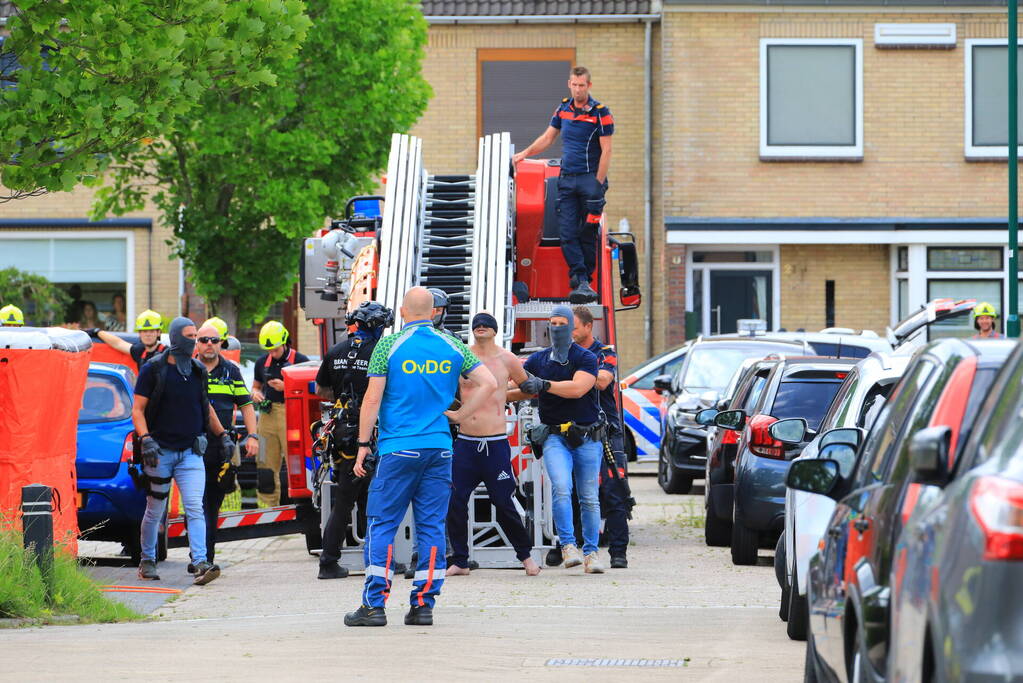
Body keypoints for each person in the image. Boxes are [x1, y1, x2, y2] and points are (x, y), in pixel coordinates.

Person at [344, 287, 497, 627]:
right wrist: (460, 415)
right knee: (431, 526)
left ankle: (374, 605)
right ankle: (423, 604)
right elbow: (488, 382)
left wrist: (363, 444)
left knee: (382, 523)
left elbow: (372, 399)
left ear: (402, 311)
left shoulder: (388, 345)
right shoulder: (453, 345)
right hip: (440, 448)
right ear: (433, 312)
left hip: (398, 447)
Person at [132, 317, 233, 585]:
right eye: (190, 336)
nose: (195, 341)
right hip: (159, 453)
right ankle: (147, 560)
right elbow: (138, 410)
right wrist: (146, 439)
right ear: (176, 338)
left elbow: (206, 407)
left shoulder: (198, 370)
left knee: (195, 507)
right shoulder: (153, 369)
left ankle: (200, 562)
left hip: (191, 452)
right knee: (155, 510)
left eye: (195, 336)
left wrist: (222, 435)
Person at [509, 304, 604, 573]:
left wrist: (544, 385)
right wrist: (486, 394)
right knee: (561, 488)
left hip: (587, 435)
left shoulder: (586, 357)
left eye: (563, 324)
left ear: (572, 326)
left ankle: (592, 553)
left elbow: (577, 388)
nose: (557, 328)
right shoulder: (538, 360)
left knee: (589, 497)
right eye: (553, 323)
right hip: (554, 436)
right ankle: (568, 546)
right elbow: (520, 388)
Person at [446, 312, 541, 577]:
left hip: (495, 443)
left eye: (486, 324)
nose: (481, 327)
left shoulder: (507, 358)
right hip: (466, 442)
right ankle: (460, 560)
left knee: (503, 502)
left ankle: (526, 557)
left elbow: (529, 387)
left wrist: (503, 395)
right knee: (455, 500)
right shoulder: (461, 356)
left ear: (495, 330)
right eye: (477, 324)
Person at [512, 66, 614, 305]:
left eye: (582, 85)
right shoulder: (563, 108)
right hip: (567, 179)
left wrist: (598, 184)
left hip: (590, 180)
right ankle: (580, 279)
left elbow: (607, 150)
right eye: (574, 85)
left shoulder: (601, 112)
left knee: (587, 232)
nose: (578, 90)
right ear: (569, 84)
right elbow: (548, 138)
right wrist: (524, 154)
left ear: (589, 86)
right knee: (567, 232)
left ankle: (584, 279)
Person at [313, 301, 394, 580]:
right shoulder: (381, 352)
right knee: (372, 499)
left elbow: (321, 389)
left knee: (349, 498)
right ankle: (340, 561)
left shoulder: (335, 350)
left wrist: (343, 398)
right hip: (369, 433)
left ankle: (338, 560)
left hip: (341, 434)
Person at [194, 318, 259, 571]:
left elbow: (246, 405)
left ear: (221, 343)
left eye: (214, 340)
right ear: (197, 343)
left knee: (212, 503)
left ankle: (206, 557)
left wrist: (252, 436)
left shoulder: (231, 370)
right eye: (204, 340)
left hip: (221, 447)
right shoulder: (188, 368)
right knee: (195, 503)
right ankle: (199, 556)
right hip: (191, 446)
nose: (209, 344)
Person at [572, 305, 631, 569]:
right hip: (574, 430)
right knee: (571, 491)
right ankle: (570, 546)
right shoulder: (563, 353)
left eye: (573, 328)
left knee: (613, 491)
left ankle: (618, 552)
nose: (568, 333)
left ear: (588, 326)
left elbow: (603, 380)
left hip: (606, 432)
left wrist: (574, 376)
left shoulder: (606, 352)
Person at [252, 320, 309, 507]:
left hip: (292, 415)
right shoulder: (262, 363)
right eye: (269, 350)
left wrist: (287, 387)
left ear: (285, 342)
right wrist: (256, 394)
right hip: (267, 415)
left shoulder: (301, 361)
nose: (272, 353)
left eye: (275, 350)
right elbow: (255, 386)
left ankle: (302, 508)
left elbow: (313, 390)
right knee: (264, 464)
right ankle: (267, 510)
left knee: (297, 464)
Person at [95, 310, 166, 373]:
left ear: (158, 332)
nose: (148, 335)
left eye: (151, 331)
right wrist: (97, 332)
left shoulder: (166, 353)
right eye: (144, 331)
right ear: (139, 333)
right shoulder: (139, 351)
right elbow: (118, 343)